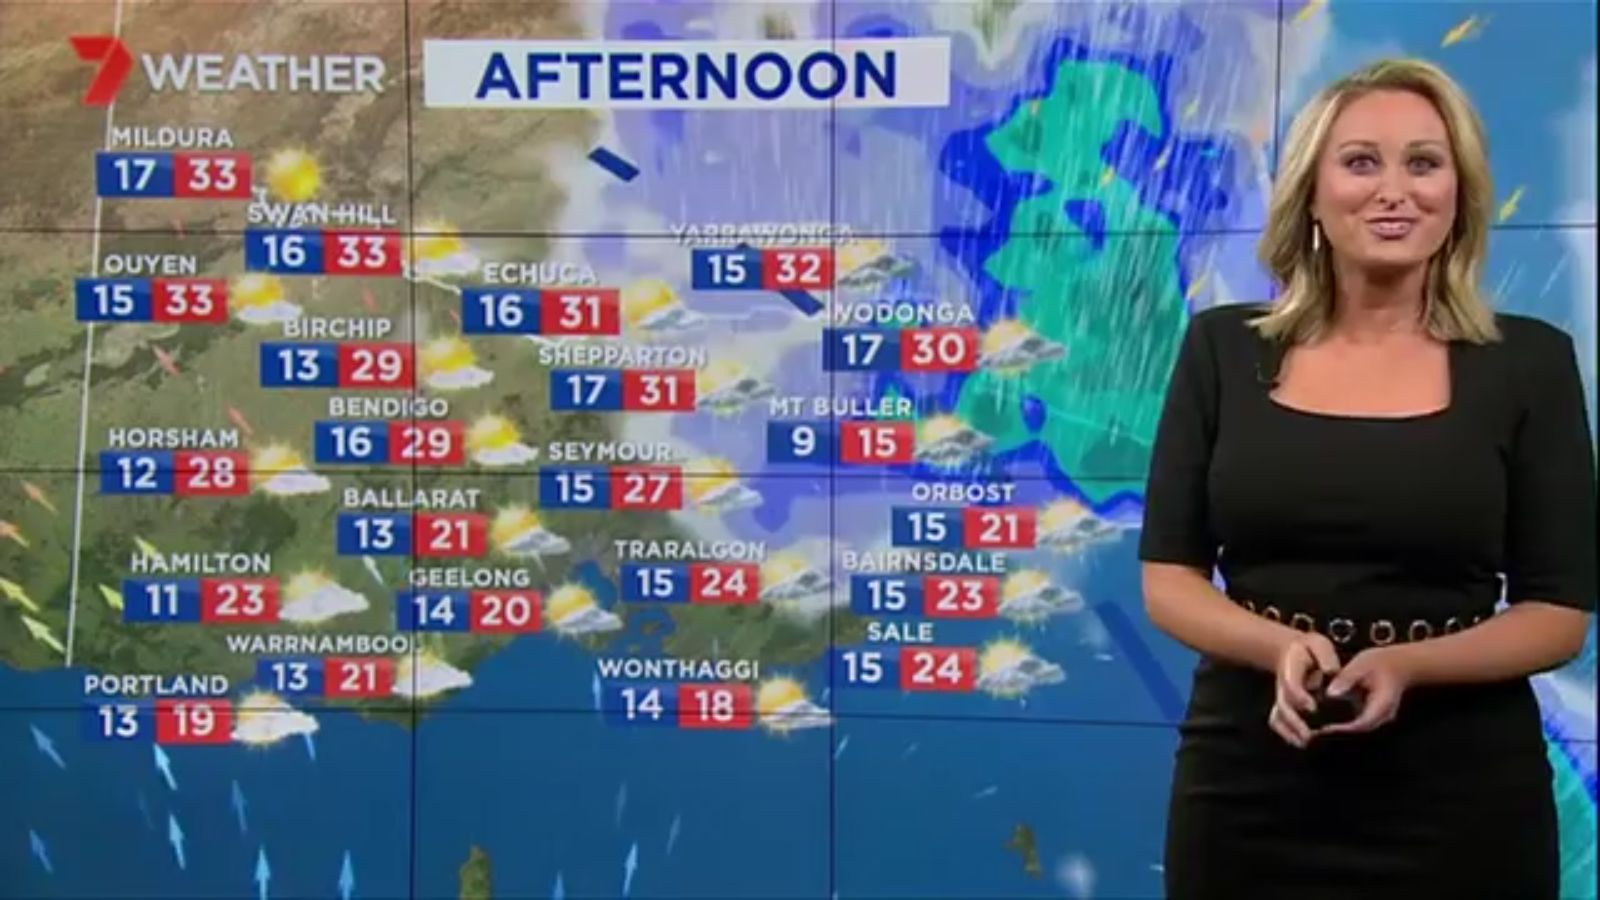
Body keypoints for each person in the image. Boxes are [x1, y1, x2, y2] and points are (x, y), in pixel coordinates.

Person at [1138, 57, 1597, 899]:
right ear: (1312, 194)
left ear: (1459, 193)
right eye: (1360, 162)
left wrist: (1409, 665)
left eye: (1424, 163)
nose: (1395, 191)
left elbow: (1557, 615)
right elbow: (1169, 578)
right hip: (1249, 783)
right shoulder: (1223, 350)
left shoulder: (1530, 364)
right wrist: (1277, 647)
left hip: (1463, 794)